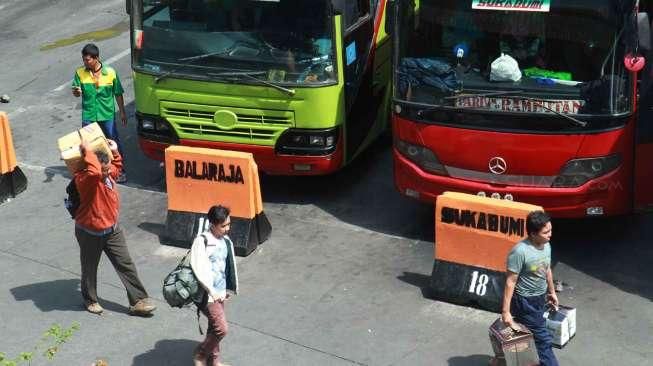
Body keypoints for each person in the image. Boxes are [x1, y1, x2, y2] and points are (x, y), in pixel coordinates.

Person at [74, 138, 155, 316]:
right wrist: (87, 150)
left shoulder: (108, 173)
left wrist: (115, 152)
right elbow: (95, 172)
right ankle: (90, 299)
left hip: (112, 230)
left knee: (125, 264)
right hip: (90, 232)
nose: (108, 172)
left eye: (108, 167)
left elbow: (116, 168)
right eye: (105, 170)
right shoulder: (85, 179)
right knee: (89, 268)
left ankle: (139, 300)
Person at [501, 210, 559, 366]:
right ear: (533, 234)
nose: (550, 235)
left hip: (540, 299)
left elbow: (547, 269)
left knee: (521, 337)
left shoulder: (546, 246)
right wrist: (506, 312)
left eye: (551, 230)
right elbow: (510, 282)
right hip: (525, 301)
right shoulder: (520, 251)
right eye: (546, 232)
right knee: (543, 340)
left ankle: (501, 360)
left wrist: (552, 292)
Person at [72, 43, 128, 183]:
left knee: (112, 142)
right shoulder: (80, 73)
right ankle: (94, 171)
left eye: (88, 59)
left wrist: (122, 112)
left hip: (107, 114)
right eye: (84, 59)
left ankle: (120, 171)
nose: (85, 62)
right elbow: (76, 91)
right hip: (89, 115)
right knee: (88, 144)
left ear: (96, 58)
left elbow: (118, 93)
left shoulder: (110, 73)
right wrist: (76, 92)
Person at [190, 205, 238, 366]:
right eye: (223, 226)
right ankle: (201, 354)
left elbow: (224, 268)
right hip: (207, 295)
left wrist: (225, 290)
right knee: (222, 328)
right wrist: (212, 291)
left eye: (228, 224)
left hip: (219, 292)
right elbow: (199, 269)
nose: (227, 229)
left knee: (214, 327)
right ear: (213, 224)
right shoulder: (202, 241)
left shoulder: (225, 241)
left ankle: (215, 362)